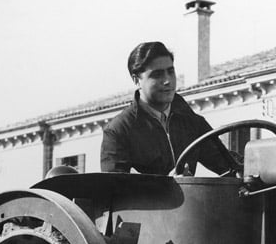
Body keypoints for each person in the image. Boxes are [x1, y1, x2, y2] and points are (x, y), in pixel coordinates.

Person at [100, 41, 239, 175]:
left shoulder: (191, 121)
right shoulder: (119, 130)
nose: (167, 81)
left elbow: (227, 164)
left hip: (192, 199)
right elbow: (115, 190)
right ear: (137, 80)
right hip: (151, 200)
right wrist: (166, 186)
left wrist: (254, 166)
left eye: (171, 72)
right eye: (157, 75)